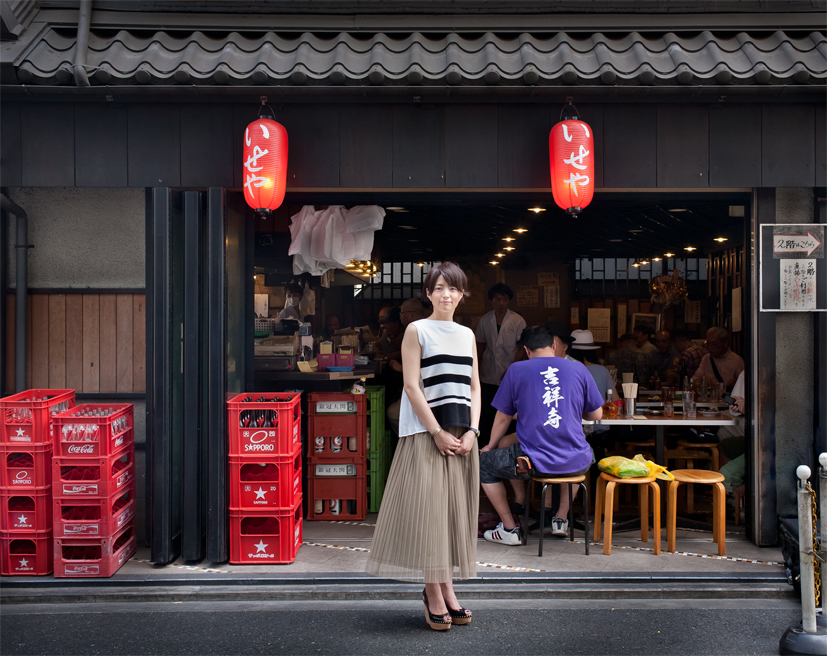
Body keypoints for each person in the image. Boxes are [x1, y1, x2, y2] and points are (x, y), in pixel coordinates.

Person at [366, 262, 480, 631]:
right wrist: (435, 432)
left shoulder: (467, 334)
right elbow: (412, 386)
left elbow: (474, 387)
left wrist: (474, 431)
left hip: (462, 434)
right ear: (428, 293)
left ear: (463, 294)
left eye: (454, 288)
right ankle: (434, 591)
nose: (446, 294)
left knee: (450, 516)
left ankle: (447, 588)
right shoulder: (417, 329)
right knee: (430, 514)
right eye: (439, 288)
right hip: (426, 434)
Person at [479, 325, 603, 544]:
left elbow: (502, 417)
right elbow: (595, 414)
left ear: (526, 350)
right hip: (577, 459)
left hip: (532, 462)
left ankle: (509, 529)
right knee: (585, 455)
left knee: (483, 464)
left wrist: (490, 444)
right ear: (554, 346)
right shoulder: (579, 369)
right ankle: (560, 518)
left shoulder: (516, 370)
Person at [475, 284, 526, 445]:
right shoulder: (485, 319)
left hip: (510, 371)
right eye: (497, 299)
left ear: (509, 300)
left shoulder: (517, 320)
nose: (501, 303)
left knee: (508, 411)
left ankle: (506, 444)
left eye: (504, 299)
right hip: (488, 373)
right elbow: (480, 345)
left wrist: (511, 369)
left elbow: (522, 348)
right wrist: (476, 369)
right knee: (488, 411)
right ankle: (485, 444)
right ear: (491, 301)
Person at [386, 298, 428, 434]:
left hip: (424, 389)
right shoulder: (425, 328)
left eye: (402, 313)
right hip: (421, 387)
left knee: (392, 412)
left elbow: (422, 366)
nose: (400, 317)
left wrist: (400, 368)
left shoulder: (415, 331)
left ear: (410, 314)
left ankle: (411, 438)